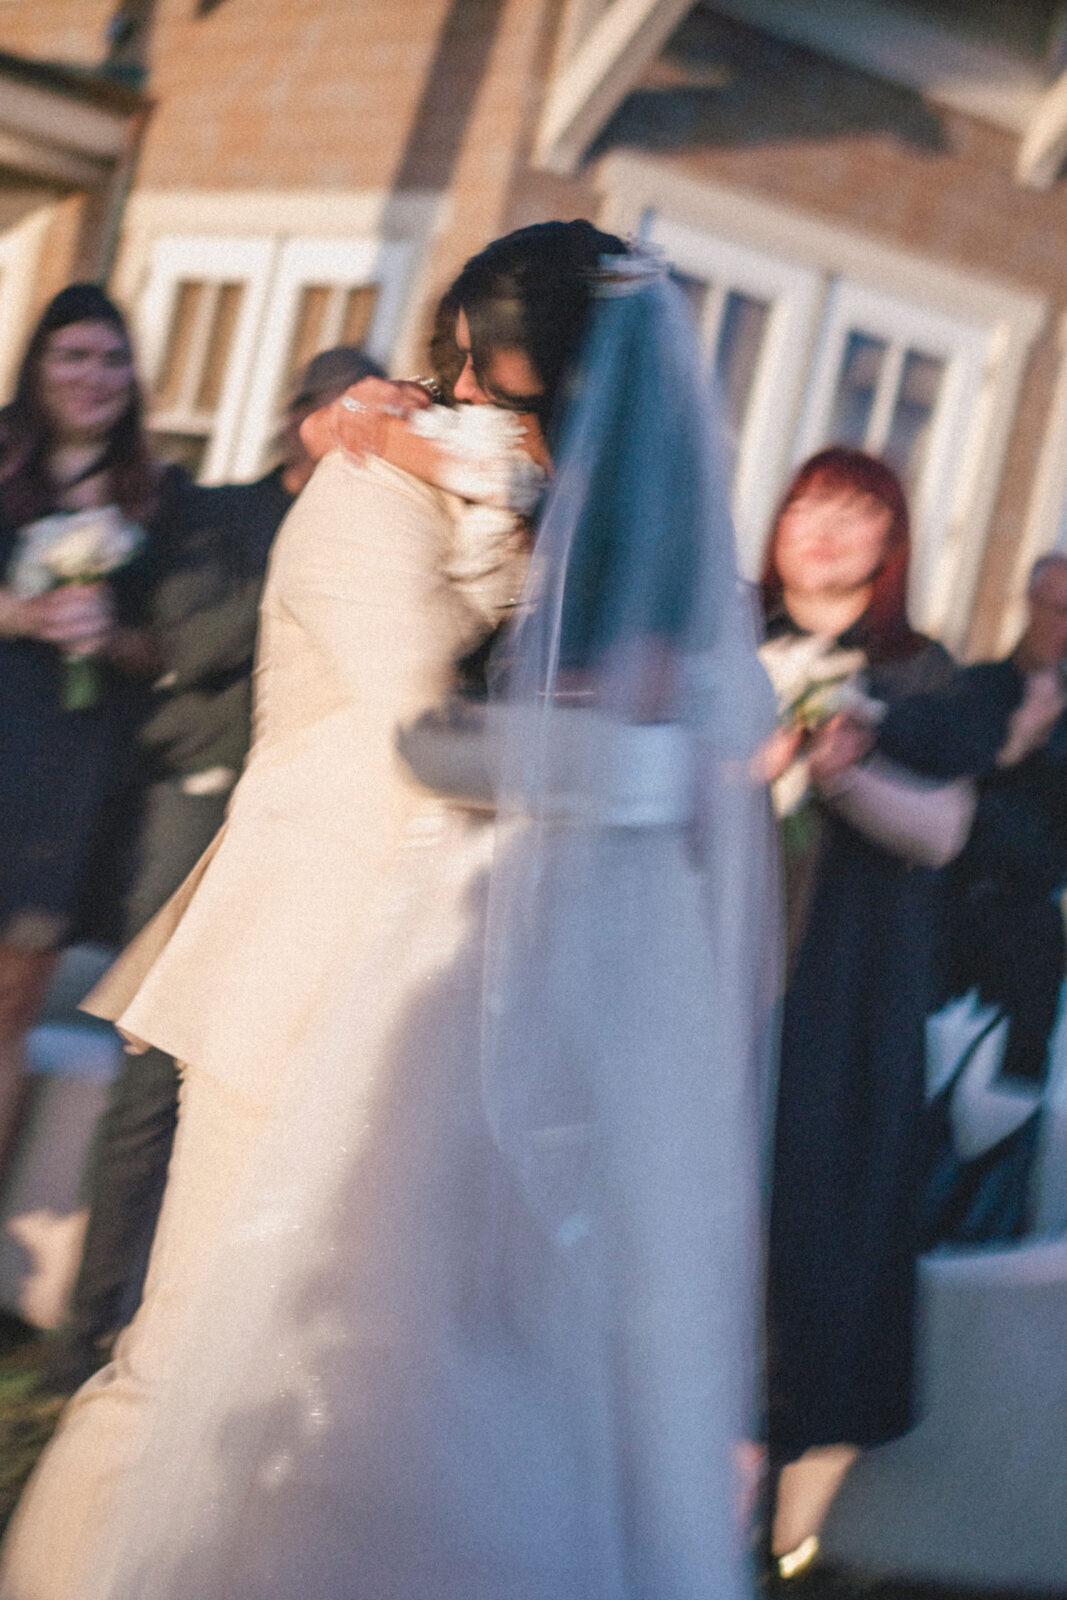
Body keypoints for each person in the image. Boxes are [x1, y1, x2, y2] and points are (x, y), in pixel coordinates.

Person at [0, 224, 777, 1600]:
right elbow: (429, 715)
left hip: (466, 1006)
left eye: (544, 403)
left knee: (381, 1378)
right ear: (461, 362)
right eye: (498, 386)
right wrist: (477, 485)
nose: (504, 417)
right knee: (183, 1361)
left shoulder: (599, 537)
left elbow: (724, 693)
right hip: (297, 978)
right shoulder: (365, 483)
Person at [45, 346, 386, 1392]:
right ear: (301, 419)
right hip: (193, 812)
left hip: (314, 834)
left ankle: (190, 1338)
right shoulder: (221, 515)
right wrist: (310, 545)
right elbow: (188, 642)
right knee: (154, 1073)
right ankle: (83, 1331)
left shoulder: (385, 542)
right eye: (343, 413)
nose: (359, 435)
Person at [759, 449, 966, 1501]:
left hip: (838, 998)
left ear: (890, 543)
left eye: (855, 514)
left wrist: (837, 771)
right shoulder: (720, 645)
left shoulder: (918, 671)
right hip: (716, 983)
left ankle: (762, 1515)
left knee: (801, 1258)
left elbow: (938, 829)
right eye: (809, 507)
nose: (826, 530)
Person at [0, 284, 186, 1183]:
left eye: (112, 359)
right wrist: (22, 613)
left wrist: (109, 638)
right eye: (72, 355)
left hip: (62, 782)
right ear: (37, 365)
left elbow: (174, 647)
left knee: (8, 1014)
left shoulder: (157, 498)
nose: (93, 376)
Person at [879, 552, 1067, 1242]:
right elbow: (942, 783)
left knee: (1011, 1098)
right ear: (1029, 602)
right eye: (1054, 608)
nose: (1061, 627)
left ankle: (978, 1235)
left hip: (1026, 926)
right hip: (948, 912)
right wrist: (1015, 743)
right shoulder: (975, 688)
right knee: (916, 1081)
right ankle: (900, 1222)